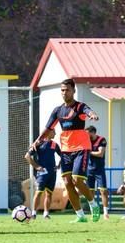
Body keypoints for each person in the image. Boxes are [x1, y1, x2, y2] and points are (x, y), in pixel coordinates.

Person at [33, 79, 101, 223]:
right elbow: (48, 128)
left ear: (73, 91)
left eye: (67, 90)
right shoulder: (58, 110)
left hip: (81, 148)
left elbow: (88, 111)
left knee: (77, 180)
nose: (64, 93)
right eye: (62, 90)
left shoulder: (79, 107)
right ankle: (80, 215)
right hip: (66, 150)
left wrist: (92, 115)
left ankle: (93, 204)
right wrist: (37, 140)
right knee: (67, 182)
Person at [24, 130, 60, 219]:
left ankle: (46, 214)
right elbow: (27, 156)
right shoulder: (39, 143)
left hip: (52, 173)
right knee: (39, 192)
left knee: (49, 194)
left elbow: (63, 156)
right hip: (42, 173)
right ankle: (34, 213)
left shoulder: (54, 144)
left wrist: (58, 166)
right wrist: (36, 166)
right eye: (53, 132)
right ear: (48, 133)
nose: (55, 134)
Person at [85, 126, 110, 220]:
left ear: (93, 132)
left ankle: (105, 213)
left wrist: (89, 152)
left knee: (103, 191)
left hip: (99, 170)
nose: (86, 136)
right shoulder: (86, 141)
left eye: (88, 133)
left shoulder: (102, 140)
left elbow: (100, 154)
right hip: (89, 169)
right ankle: (93, 211)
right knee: (90, 191)